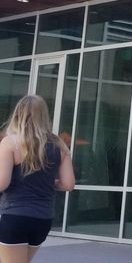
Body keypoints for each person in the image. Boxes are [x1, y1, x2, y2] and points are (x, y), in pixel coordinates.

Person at [0, 95, 75, 263]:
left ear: (18, 114)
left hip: (14, 215)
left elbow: (2, 182)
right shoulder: (59, 145)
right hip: (43, 219)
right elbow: (69, 184)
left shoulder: (10, 143)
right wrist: (47, 182)